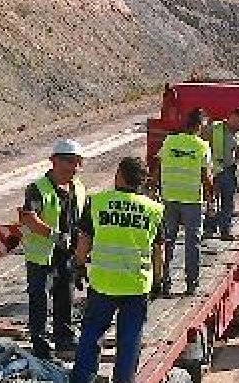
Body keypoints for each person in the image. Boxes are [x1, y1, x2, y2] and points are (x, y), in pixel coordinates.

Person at [70, 157, 164, 383]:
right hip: (136, 285)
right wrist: (158, 281)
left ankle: (83, 378)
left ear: (119, 175)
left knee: (92, 332)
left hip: (103, 283)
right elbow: (159, 251)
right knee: (130, 338)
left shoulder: (98, 202)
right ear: (142, 181)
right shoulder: (154, 210)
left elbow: (84, 241)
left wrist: (79, 266)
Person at [18, 139, 87, 360]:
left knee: (65, 295)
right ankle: (40, 343)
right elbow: (29, 218)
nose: (74, 167)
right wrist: (55, 236)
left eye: (78, 162)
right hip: (42, 256)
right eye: (69, 162)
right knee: (40, 299)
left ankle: (63, 338)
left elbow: (83, 220)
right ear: (54, 161)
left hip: (66, 254)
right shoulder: (38, 189)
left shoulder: (79, 188)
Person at [158, 107, 213, 296]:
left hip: (169, 198)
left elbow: (158, 165)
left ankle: (164, 282)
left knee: (167, 241)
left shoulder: (170, 141)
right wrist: (211, 198)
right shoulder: (202, 146)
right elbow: (206, 176)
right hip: (192, 200)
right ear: (199, 125)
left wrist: (155, 188)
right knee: (192, 243)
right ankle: (191, 284)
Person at [207, 107, 239, 240]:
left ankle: (225, 230)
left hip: (230, 170)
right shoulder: (215, 128)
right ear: (231, 117)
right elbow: (203, 144)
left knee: (228, 202)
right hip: (214, 170)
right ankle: (210, 228)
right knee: (212, 201)